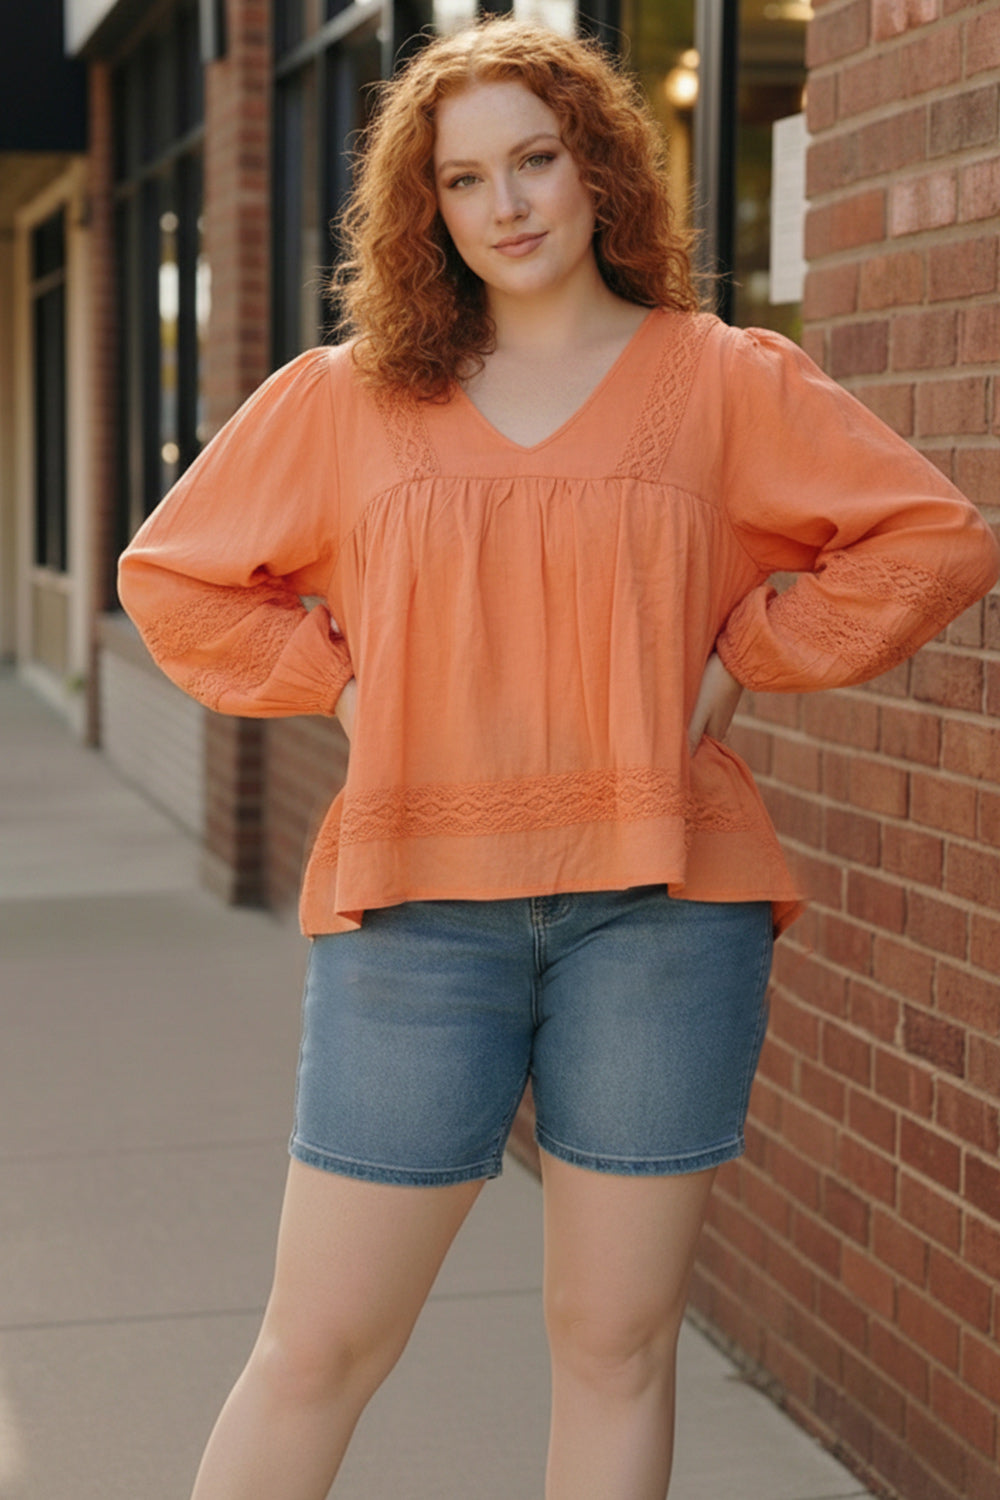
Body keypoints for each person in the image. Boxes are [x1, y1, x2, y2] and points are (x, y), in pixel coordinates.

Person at [117, 18, 999, 1500]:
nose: (509, 203)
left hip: (663, 913)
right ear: (430, 208)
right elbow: (173, 576)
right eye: (466, 180)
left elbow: (933, 539)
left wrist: (745, 658)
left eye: (536, 160)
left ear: (597, 171)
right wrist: (335, 689)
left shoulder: (721, 379)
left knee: (614, 1345)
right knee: (317, 1346)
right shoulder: (347, 397)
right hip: (417, 915)